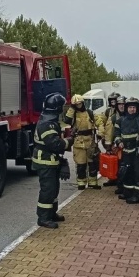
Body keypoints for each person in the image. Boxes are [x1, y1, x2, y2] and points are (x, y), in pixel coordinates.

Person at [31, 92, 74, 229]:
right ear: (57, 108)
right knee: (48, 190)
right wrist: (69, 141)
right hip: (45, 162)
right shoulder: (47, 123)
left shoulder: (50, 120)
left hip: (51, 161)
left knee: (54, 189)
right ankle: (43, 218)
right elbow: (55, 144)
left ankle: (51, 213)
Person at [63, 94, 100, 190]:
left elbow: (99, 122)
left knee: (92, 164)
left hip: (90, 141)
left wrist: (101, 133)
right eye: (76, 104)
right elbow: (67, 120)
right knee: (81, 165)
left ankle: (93, 182)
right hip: (78, 141)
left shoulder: (90, 112)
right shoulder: (73, 113)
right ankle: (81, 183)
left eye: (80, 104)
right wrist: (71, 108)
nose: (79, 106)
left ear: (83, 103)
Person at [99, 92, 121, 186]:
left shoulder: (121, 111)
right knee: (110, 161)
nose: (113, 102)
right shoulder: (108, 111)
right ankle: (112, 178)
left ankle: (119, 180)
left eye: (114, 100)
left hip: (118, 140)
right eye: (111, 101)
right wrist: (101, 133)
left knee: (119, 161)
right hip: (109, 141)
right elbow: (101, 121)